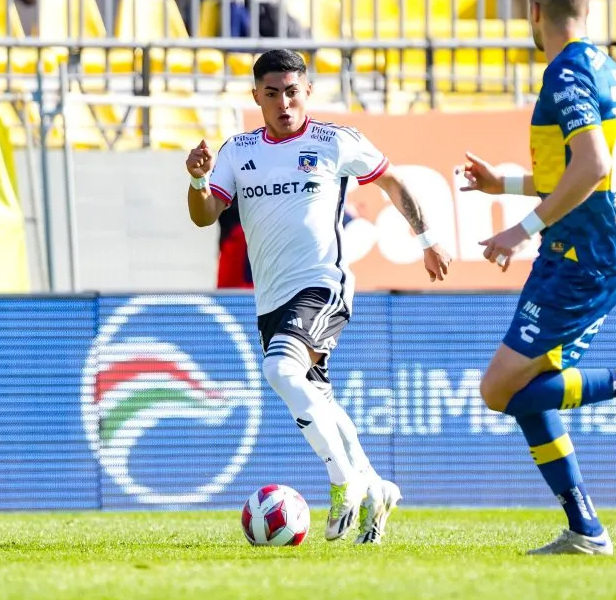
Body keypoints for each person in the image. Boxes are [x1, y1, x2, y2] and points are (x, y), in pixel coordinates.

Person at [459, 0, 616, 556]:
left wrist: (518, 228)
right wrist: (507, 183)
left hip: (582, 255)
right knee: (524, 389)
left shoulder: (564, 71)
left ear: (534, 13)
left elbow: (590, 168)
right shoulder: (603, 64)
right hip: (573, 249)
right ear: (586, 9)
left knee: (498, 390)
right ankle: (586, 529)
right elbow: (580, 169)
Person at [186, 49, 452, 545]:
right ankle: (376, 488)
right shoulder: (238, 151)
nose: (284, 102)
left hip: (322, 285)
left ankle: (342, 481)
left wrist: (426, 239)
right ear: (257, 97)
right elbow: (204, 216)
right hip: (272, 300)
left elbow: (393, 181)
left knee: (279, 370)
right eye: (272, 94)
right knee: (320, 399)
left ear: (307, 91)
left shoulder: (334, 141)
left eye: (292, 91)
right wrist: (199, 178)